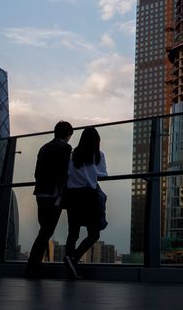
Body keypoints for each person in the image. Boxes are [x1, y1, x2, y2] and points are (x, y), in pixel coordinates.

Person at [25, 120, 73, 278]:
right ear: (68, 134)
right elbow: (64, 173)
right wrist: (62, 195)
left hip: (40, 193)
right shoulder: (65, 148)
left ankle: (35, 265)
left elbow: (37, 173)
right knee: (46, 231)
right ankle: (33, 267)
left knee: (44, 230)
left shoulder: (44, 147)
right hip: (54, 195)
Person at [62, 126, 108, 280]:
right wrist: (93, 174)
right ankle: (73, 258)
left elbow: (68, 173)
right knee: (94, 234)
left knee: (72, 233)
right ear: (97, 140)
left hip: (72, 196)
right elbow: (103, 174)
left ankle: (70, 265)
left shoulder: (75, 154)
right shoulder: (98, 155)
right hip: (89, 196)